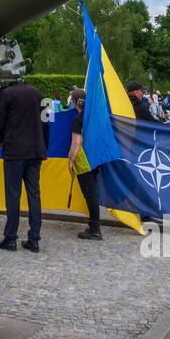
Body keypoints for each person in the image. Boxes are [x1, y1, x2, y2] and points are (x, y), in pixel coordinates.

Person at [0, 77, 48, 253]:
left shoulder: (7, 94)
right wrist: (43, 145)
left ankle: (10, 238)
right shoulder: (41, 95)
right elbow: (48, 122)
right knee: (35, 194)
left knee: (13, 195)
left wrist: (1, 139)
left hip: (14, 151)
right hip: (35, 151)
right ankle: (34, 239)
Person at [66, 88, 103, 241]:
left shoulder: (78, 119)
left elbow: (76, 143)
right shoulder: (93, 117)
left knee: (90, 195)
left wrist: (70, 160)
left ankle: (95, 229)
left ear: (74, 102)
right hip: (96, 158)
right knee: (93, 193)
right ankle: (93, 225)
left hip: (84, 161)